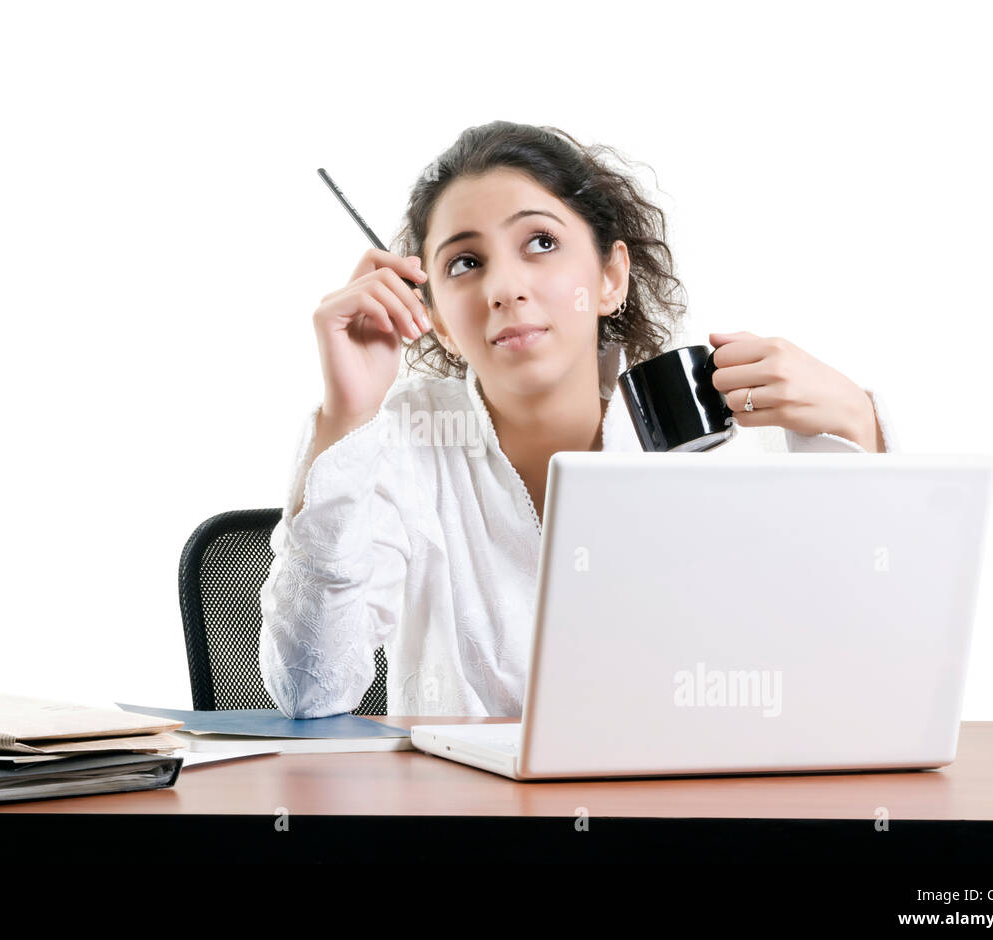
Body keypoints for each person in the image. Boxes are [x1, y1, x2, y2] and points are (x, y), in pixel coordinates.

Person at [258, 121, 897, 719]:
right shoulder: (399, 440)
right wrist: (348, 416)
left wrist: (857, 424)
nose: (503, 287)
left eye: (541, 242)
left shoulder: (714, 428)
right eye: (464, 262)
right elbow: (307, 693)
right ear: (439, 320)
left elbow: (854, 674)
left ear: (611, 277)